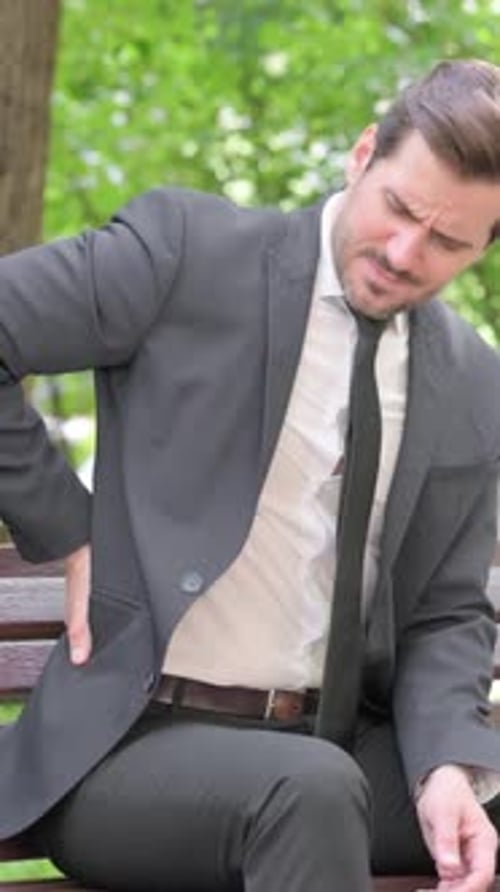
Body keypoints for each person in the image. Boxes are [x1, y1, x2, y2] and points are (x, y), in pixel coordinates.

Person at [0, 57, 499, 892]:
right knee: (309, 792)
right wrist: (67, 529)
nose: (405, 252)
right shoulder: (186, 255)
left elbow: (446, 613)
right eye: (400, 208)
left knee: (427, 790)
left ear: (484, 248)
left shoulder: (474, 382)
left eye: (447, 241)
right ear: (363, 155)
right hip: (131, 746)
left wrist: (448, 765)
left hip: (335, 747)